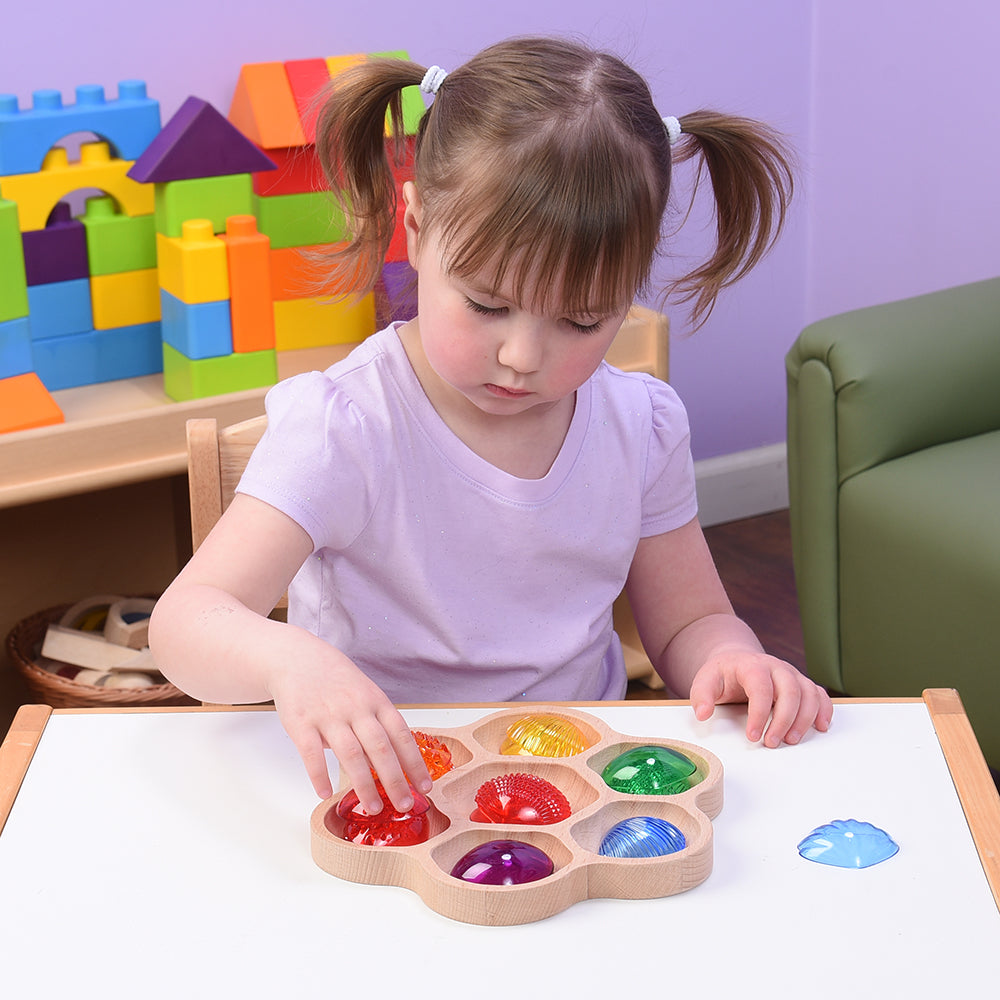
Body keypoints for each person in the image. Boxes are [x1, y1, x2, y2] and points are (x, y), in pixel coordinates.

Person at [149, 36, 833, 816]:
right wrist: (288, 663)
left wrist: (733, 658)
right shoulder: (347, 425)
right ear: (415, 230)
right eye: (485, 304)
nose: (521, 355)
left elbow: (690, 622)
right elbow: (184, 625)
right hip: (390, 786)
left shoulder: (638, 426)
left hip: (576, 785)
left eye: (581, 320)